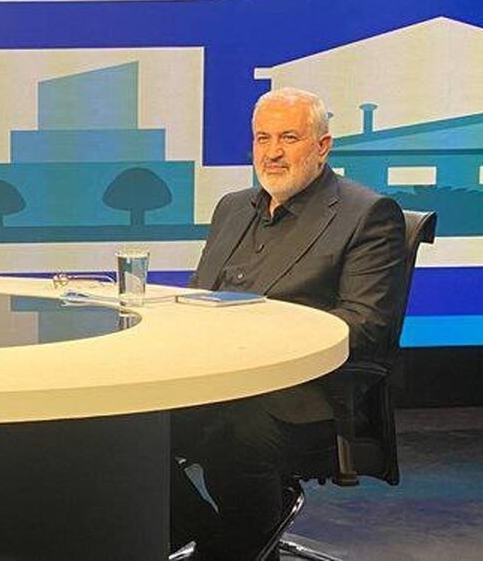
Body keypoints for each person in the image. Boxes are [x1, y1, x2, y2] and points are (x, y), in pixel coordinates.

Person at [170, 87, 405, 560]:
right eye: (263, 138)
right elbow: (200, 297)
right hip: (218, 379)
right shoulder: (233, 207)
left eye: (289, 138)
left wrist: (257, 344)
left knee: (232, 430)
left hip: (305, 393)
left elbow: (362, 327)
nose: (273, 152)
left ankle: (238, 545)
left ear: (323, 146)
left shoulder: (367, 215)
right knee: (123, 421)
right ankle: (212, 540)